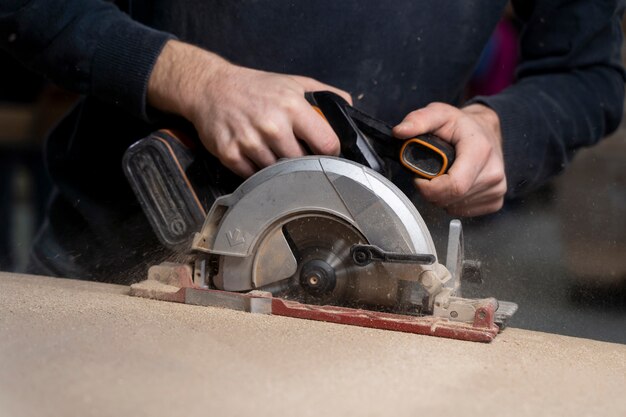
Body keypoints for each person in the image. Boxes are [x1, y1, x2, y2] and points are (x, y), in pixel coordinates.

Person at [0, 1, 624, 282]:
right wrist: (196, 81)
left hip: (368, 277)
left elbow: (589, 72)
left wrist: (501, 129)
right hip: (114, 256)